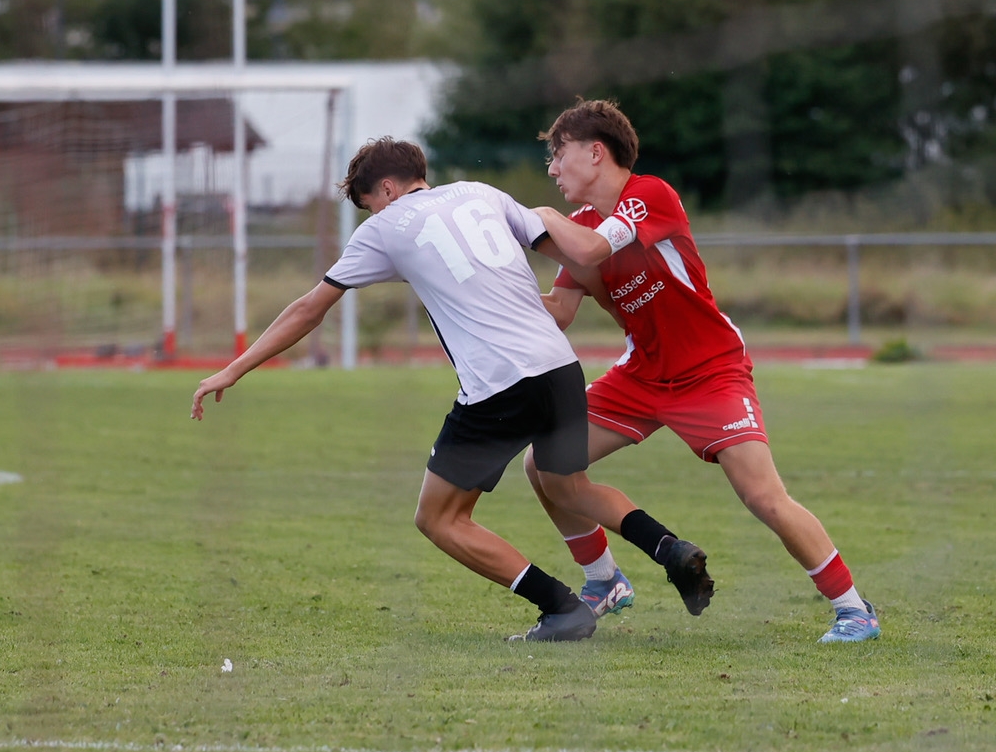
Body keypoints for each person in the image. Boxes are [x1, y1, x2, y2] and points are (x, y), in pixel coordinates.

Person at [191, 137, 708, 642]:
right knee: (569, 486)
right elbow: (581, 260)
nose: (373, 215)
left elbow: (309, 309)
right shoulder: (483, 193)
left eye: (370, 204)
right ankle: (668, 548)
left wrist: (234, 369)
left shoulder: (385, 227)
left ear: (387, 189)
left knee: (438, 518)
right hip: (559, 367)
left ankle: (561, 607)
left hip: (499, 385)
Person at [523, 98, 880, 643]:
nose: (552, 169)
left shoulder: (648, 195)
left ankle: (854, 610)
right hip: (642, 375)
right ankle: (604, 581)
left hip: (710, 371)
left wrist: (538, 220)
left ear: (595, 153)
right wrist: (482, 291)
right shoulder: (580, 226)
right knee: (545, 463)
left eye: (558, 153)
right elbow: (561, 312)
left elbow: (592, 250)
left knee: (763, 497)